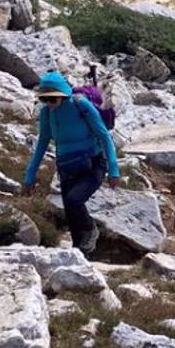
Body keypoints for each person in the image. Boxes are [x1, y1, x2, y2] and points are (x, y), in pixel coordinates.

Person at [22, 71, 121, 255]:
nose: (49, 104)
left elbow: (104, 136)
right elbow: (42, 143)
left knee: (74, 201)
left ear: (63, 95)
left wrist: (113, 170)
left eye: (52, 99)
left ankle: (91, 229)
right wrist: (30, 175)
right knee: (73, 219)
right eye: (44, 100)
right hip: (67, 168)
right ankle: (82, 262)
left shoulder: (80, 105)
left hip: (93, 164)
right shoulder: (46, 114)